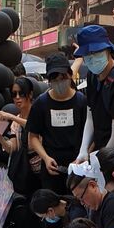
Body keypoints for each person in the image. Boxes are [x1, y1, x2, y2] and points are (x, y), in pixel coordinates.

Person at [0, 77, 43, 228]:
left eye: (21, 94)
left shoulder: (38, 112)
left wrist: (11, 117)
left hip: (44, 169)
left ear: (30, 94)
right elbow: (14, 146)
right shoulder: (15, 122)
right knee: (27, 210)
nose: (17, 98)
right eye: (14, 94)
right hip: (27, 172)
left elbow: (35, 128)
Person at [73, 24, 114, 159]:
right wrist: (83, 150)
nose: (91, 58)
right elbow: (90, 116)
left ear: (108, 50)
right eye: (87, 54)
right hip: (102, 150)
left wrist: (100, 162)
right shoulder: (92, 76)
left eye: (95, 52)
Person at [27, 53, 87, 194]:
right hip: (51, 166)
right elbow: (33, 137)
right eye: (55, 79)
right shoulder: (41, 103)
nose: (60, 82)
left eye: (63, 77)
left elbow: (90, 133)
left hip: (78, 164)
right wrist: (45, 158)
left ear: (70, 75)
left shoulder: (81, 101)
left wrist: (84, 157)